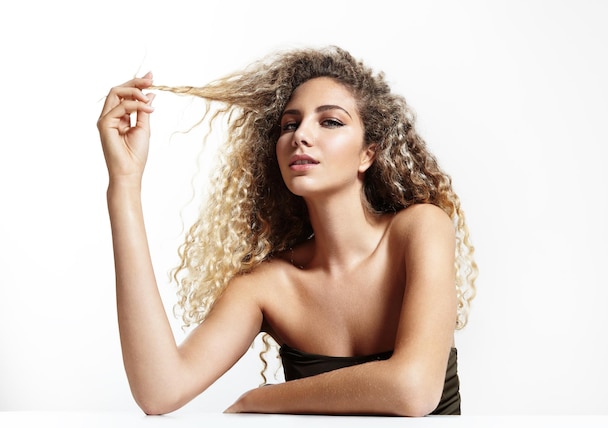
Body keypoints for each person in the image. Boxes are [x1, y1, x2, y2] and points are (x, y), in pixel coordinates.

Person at [97, 45, 477, 417]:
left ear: (368, 154)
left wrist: (259, 399)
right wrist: (125, 184)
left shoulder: (420, 228)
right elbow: (160, 390)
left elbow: (414, 390)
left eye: (330, 121)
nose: (300, 136)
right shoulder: (266, 285)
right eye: (289, 125)